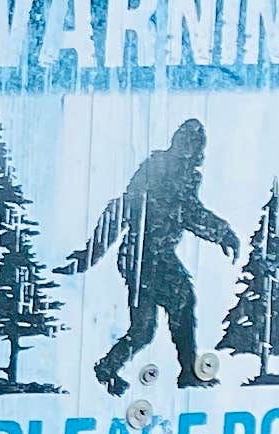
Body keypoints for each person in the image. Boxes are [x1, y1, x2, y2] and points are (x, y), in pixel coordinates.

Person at [62, 118, 238, 394]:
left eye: (194, 144)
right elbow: (135, 208)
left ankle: (115, 367)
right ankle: (177, 371)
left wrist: (221, 233)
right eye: (185, 141)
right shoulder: (161, 169)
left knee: (159, 318)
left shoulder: (186, 173)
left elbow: (182, 210)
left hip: (153, 256)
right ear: (177, 141)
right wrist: (90, 254)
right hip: (143, 256)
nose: (189, 149)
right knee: (160, 316)